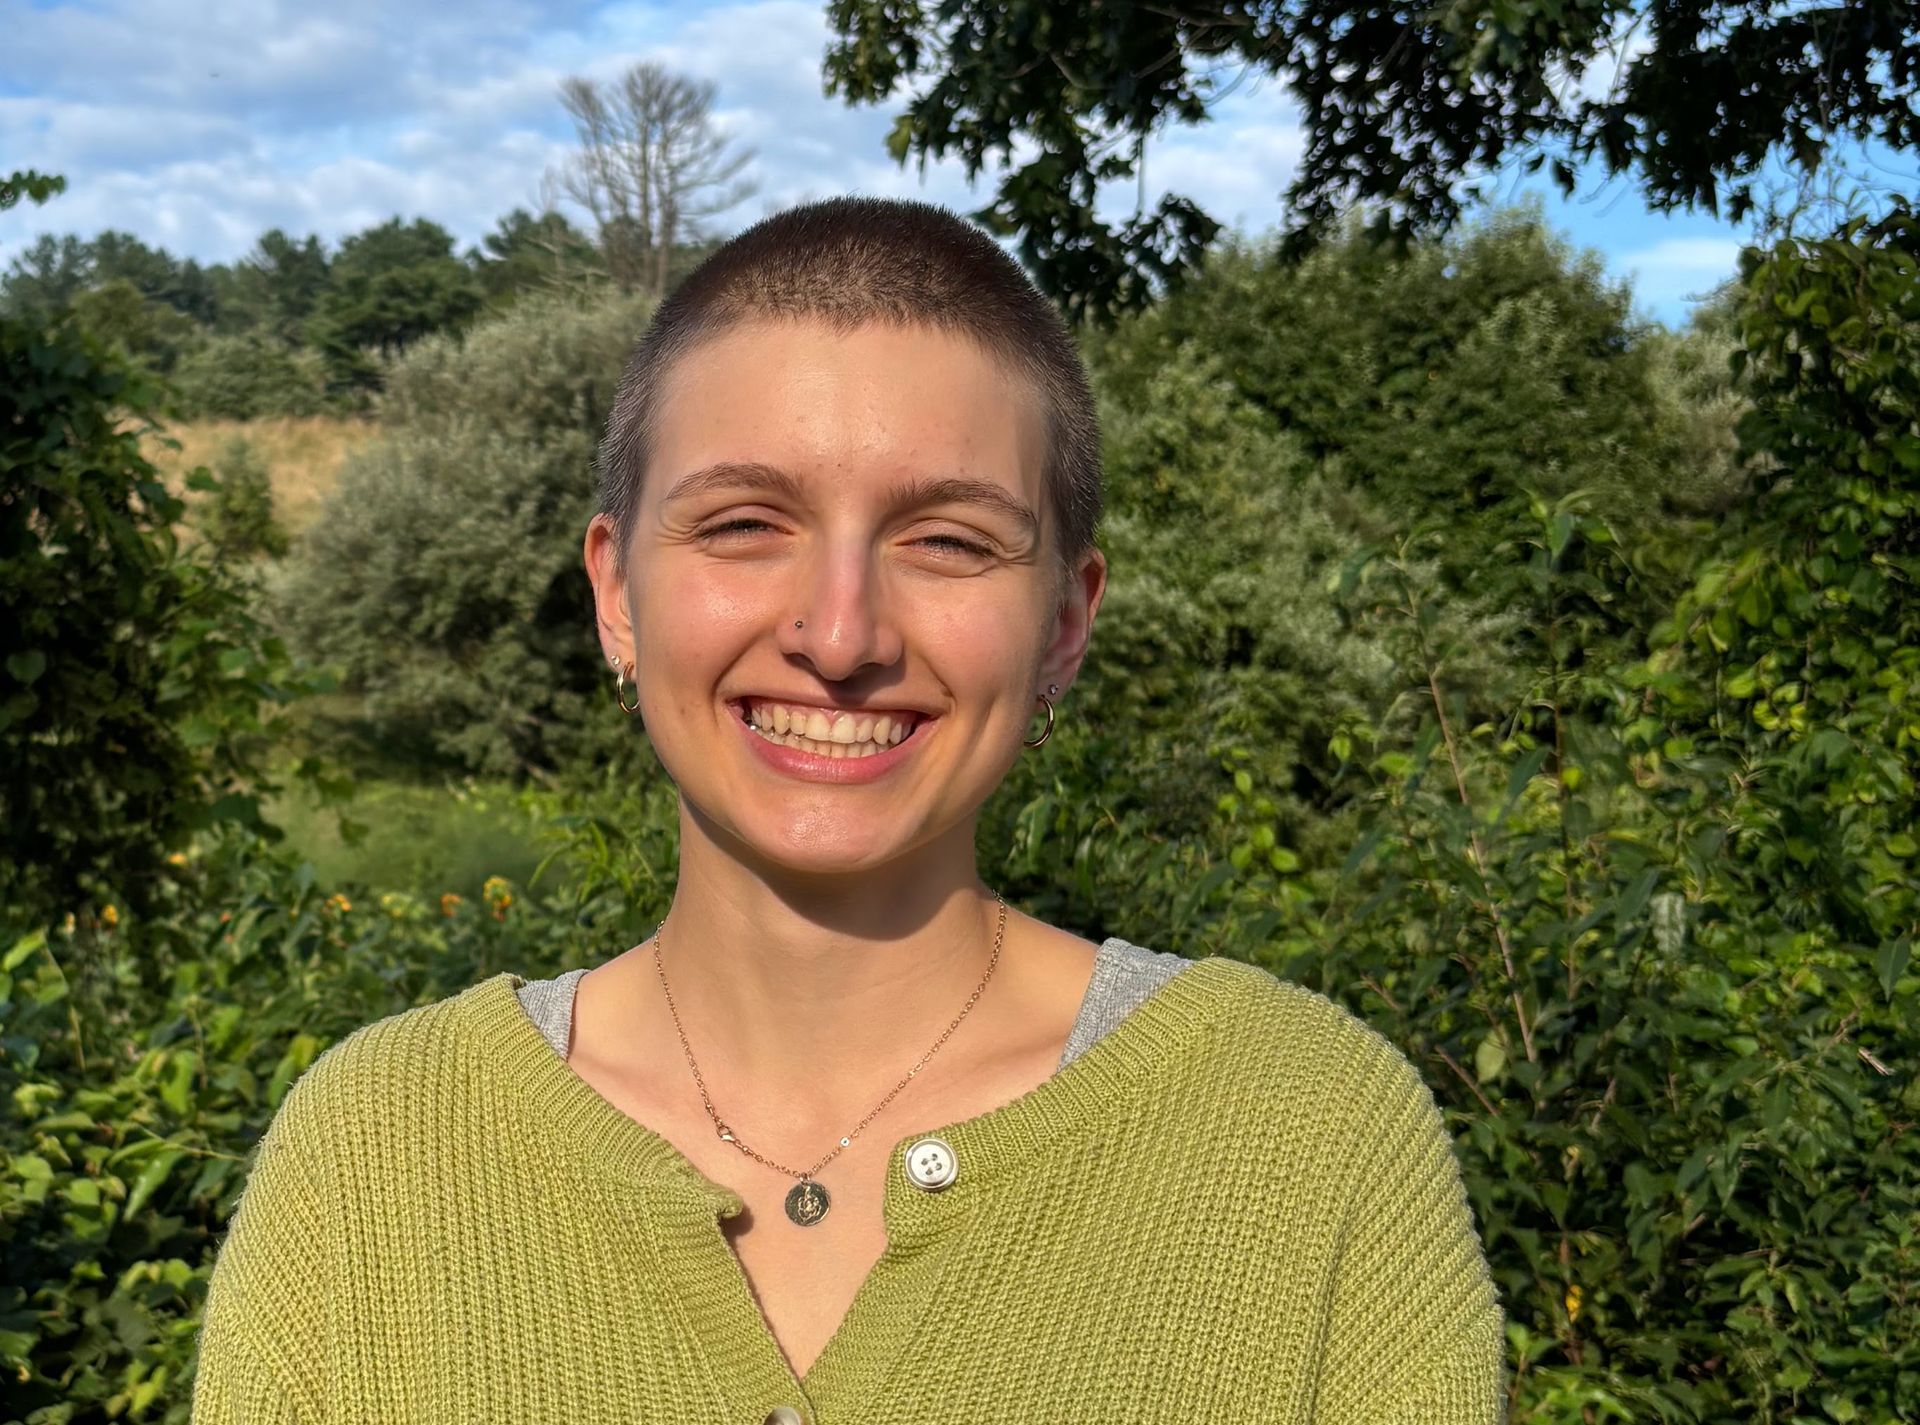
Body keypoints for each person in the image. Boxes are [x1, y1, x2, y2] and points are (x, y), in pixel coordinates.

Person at [191, 196, 1506, 1424]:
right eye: (746, 522)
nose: (840, 632)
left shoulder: (1315, 1141)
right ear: (615, 593)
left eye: (946, 539)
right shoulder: (368, 1162)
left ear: (1065, 622)